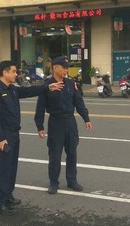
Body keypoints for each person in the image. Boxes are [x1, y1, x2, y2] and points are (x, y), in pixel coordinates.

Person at [0, 61, 64, 215]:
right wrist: (0, 138)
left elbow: (29, 91)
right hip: (5, 136)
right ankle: (0, 201)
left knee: (12, 167)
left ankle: (8, 196)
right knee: (3, 169)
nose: (16, 74)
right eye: (14, 71)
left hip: (14, 134)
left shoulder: (12, 89)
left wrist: (48, 86)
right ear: (4, 72)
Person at [35, 56, 92, 194]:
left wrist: (86, 118)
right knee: (55, 154)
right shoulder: (47, 86)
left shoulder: (71, 84)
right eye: (64, 67)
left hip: (70, 122)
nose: (66, 70)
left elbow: (79, 103)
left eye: (67, 67)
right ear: (55, 68)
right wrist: (40, 126)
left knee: (72, 153)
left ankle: (72, 180)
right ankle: (54, 182)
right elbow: (40, 107)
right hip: (56, 123)